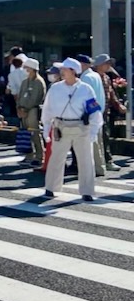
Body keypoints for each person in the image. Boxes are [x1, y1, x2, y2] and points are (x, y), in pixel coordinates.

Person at [42, 57, 102, 201]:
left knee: (85, 159)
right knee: (56, 157)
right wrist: (46, 126)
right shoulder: (55, 88)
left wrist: (94, 130)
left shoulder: (85, 89)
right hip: (60, 125)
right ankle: (51, 187)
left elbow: (94, 111)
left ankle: (87, 190)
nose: (61, 71)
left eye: (64, 69)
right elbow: (47, 109)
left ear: (73, 71)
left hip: (81, 127)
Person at [93, 53, 124, 172]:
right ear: (100, 65)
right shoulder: (93, 77)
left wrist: (118, 105)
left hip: (105, 111)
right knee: (99, 137)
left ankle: (106, 160)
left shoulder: (106, 77)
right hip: (95, 112)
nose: (109, 65)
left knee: (105, 136)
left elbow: (111, 94)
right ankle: (104, 161)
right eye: (107, 63)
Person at [16, 58, 46, 167]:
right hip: (23, 111)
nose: (25, 69)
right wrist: (19, 108)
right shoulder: (25, 81)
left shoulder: (39, 82)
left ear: (32, 69)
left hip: (33, 110)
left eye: (26, 67)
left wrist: (26, 109)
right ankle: (29, 155)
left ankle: (39, 156)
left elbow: (35, 98)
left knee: (35, 133)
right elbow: (19, 96)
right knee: (26, 134)